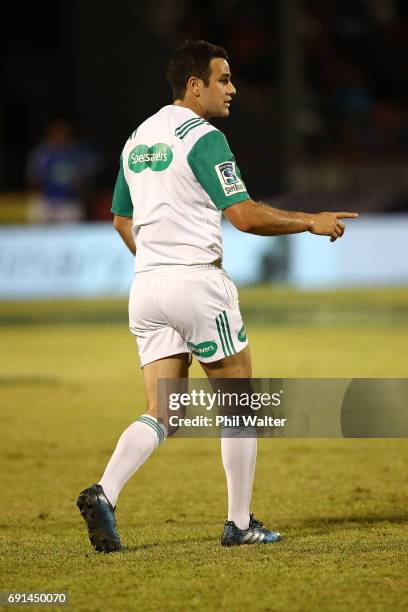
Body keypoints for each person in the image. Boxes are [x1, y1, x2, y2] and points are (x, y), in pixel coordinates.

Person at [77, 40, 358, 552]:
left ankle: (105, 492)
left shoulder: (137, 139)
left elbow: (121, 220)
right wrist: (311, 221)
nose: (232, 89)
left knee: (165, 413)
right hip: (197, 284)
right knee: (238, 405)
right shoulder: (203, 137)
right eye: (223, 79)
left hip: (147, 287)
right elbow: (244, 216)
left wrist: (158, 263)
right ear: (195, 85)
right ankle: (239, 523)